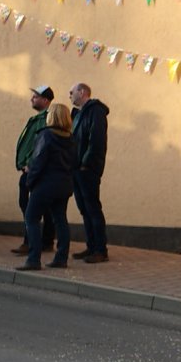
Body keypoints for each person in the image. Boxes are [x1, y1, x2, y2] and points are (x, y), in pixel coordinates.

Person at [15, 104, 76, 271]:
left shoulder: (45, 135)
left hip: (45, 184)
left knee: (31, 218)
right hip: (64, 185)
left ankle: (34, 259)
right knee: (60, 219)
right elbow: (74, 163)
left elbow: (38, 161)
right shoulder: (71, 138)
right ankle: (61, 257)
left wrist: (30, 181)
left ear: (51, 117)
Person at [12, 85, 56, 256]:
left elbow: (41, 146)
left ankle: (31, 243)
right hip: (28, 169)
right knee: (33, 207)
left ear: (45, 100)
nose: (32, 99)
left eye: (36, 96)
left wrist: (31, 164)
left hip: (36, 171)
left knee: (31, 208)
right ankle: (43, 242)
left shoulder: (48, 118)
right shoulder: (36, 118)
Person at [69, 83, 110, 264]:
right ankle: (91, 246)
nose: (69, 95)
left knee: (93, 208)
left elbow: (96, 140)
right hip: (76, 168)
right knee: (84, 209)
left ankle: (101, 250)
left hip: (88, 169)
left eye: (72, 92)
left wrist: (86, 163)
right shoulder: (77, 113)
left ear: (82, 92)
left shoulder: (95, 111)